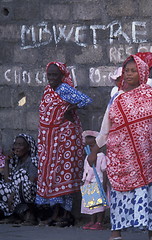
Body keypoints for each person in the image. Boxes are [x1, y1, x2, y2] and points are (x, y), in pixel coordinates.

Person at [88, 55, 152, 240]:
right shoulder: (117, 100)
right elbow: (106, 129)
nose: (129, 74)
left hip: (148, 157)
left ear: (142, 73)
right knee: (119, 195)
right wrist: (94, 151)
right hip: (122, 158)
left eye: (133, 71)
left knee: (150, 194)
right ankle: (115, 232)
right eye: (126, 71)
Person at [36, 62, 92, 227]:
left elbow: (86, 100)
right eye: (50, 75)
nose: (52, 78)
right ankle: (58, 212)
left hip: (65, 140)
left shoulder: (64, 89)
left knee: (63, 172)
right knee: (53, 174)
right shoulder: (48, 90)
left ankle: (66, 214)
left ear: (62, 76)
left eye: (55, 75)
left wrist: (70, 109)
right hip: (49, 140)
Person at [0, 134, 38, 225]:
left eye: (20, 145)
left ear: (28, 148)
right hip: (16, 195)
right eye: (15, 144)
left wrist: (13, 192)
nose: (17, 147)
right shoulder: (15, 161)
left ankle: (31, 216)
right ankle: (13, 216)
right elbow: (7, 182)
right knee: (2, 186)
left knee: (21, 175)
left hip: (30, 193)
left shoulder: (33, 161)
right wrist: (6, 161)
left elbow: (31, 182)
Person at [81, 130, 109, 231]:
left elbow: (105, 171)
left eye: (89, 137)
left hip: (99, 182)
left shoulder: (101, 156)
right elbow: (86, 170)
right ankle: (92, 221)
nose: (86, 139)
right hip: (89, 182)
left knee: (100, 205)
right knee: (91, 204)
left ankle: (99, 222)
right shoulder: (87, 155)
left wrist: (104, 185)